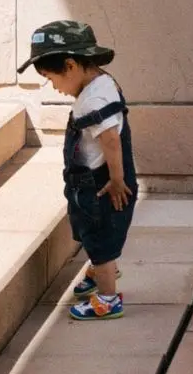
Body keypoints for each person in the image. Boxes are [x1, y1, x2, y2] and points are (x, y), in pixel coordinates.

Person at [16, 20, 137, 321]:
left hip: (101, 182)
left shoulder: (92, 100)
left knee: (100, 238)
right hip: (91, 180)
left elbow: (110, 140)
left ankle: (108, 299)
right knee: (91, 230)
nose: (54, 86)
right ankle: (99, 271)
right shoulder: (102, 82)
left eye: (51, 78)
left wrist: (117, 180)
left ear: (70, 65)